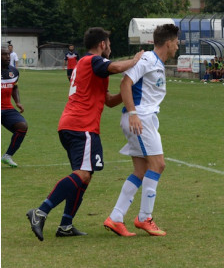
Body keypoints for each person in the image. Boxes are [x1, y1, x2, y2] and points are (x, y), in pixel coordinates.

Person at [26, 27, 144, 241]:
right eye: (108, 43)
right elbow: (116, 66)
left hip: (73, 125)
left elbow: (107, 100)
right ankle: (41, 211)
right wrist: (135, 60)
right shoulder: (94, 61)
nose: (110, 47)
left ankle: (66, 225)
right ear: (102, 44)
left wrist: (129, 92)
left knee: (84, 177)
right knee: (82, 174)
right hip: (82, 127)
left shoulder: (88, 65)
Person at [104, 24, 179, 237]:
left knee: (141, 170)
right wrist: (134, 113)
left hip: (140, 118)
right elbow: (125, 83)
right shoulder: (147, 60)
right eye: (176, 41)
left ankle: (116, 218)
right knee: (158, 164)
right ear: (168, 43)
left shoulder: (155, 62)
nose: (177, 45)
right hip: (140, 119)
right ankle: (144, 217)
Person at [1, 44, 27, 168]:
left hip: (7, 108)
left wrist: (17, 102)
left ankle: (7, 156)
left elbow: (14, 87)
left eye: (7, 54)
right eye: (3, 54)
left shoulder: (14, 71)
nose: (7, 56)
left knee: (22, 126)